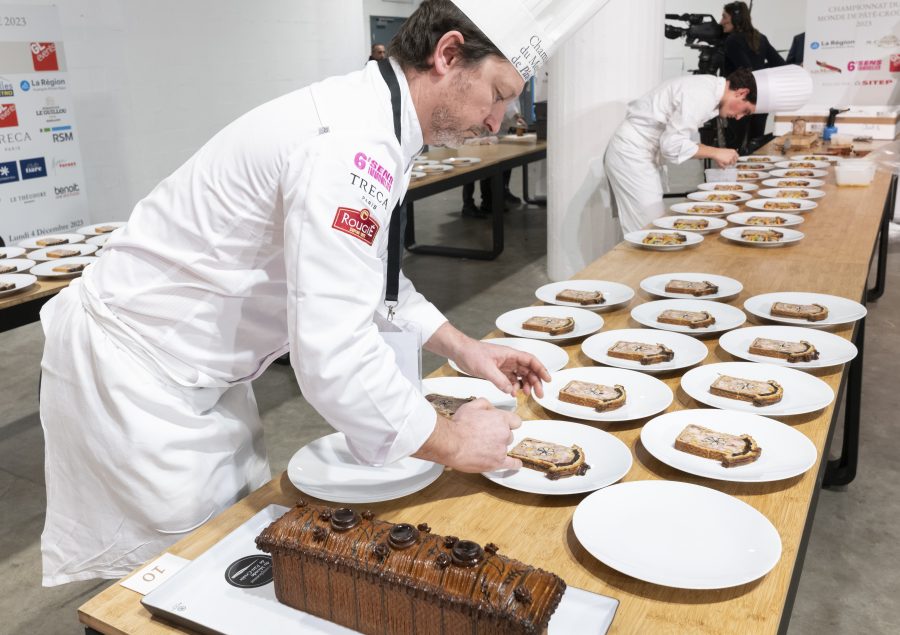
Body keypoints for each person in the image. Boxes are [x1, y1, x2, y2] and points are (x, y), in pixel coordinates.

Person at [37, 0, 609, 585]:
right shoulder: (347, 143)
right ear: (448, 54)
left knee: (225, 549)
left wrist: (464, 348)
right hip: (136, 374)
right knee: (166, 583)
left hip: (201, 370)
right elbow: (333, 352)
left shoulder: (378, 124)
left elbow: (368, 279)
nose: (498, 120)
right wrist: (454, 442)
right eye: (497, 94)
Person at [602, 65, 812, 235]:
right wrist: (715, 152)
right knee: (648, 229)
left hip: (642, 153)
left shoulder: (710, 92)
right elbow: (671, 145)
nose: (739, 117)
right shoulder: (701, 94)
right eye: (745, 111)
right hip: (631, 153)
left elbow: (677, 140)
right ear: (742, 92)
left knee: (647, 225)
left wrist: (711, 152)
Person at [720, 1, 785, 150]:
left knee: (733, 146)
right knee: (756, 146)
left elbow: (747, 69)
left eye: (724, 17)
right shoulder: (760, 37)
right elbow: (780, 64)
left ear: (735, 18)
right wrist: (763, 70)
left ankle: (732, 173)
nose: (721, 22)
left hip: (740, 100)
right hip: (762, 99)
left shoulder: (732, 40)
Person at [461, 101, 528, 217]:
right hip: (470, 128)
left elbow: (506, 102)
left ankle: (488, 202)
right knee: (470, 168)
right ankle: (468, 205)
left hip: (485, 128)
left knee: (487, 166)